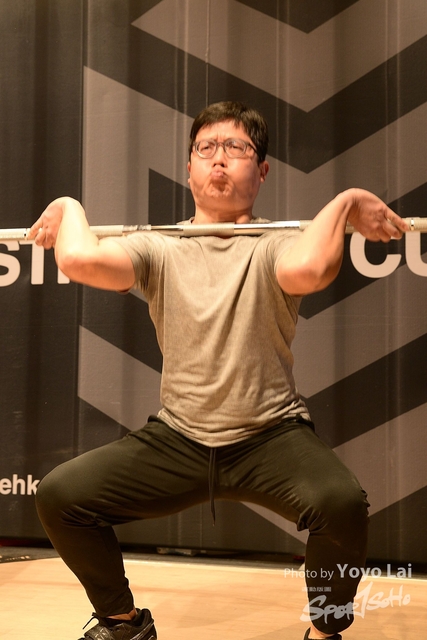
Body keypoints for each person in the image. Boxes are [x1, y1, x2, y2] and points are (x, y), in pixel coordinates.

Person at [30, 101, 407, 640]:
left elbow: (313, 268)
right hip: (178, 439)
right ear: (189, 168)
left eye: (237, 148)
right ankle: (123, 623)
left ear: (262, 170)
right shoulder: (159, 247)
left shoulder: (277, 244)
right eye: (206, 148)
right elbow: (79, 260)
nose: (220, 159)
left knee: (341, 503)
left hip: (270, 435)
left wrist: (346, 202)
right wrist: (68, 206)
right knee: (60, 495)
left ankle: (326, 630)